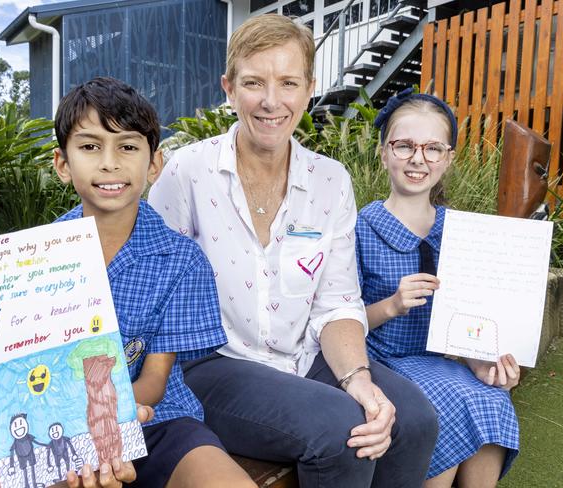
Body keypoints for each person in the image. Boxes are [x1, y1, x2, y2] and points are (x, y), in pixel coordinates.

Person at [148, 14, 438, 488]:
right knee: (342, 429)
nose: (271, 101)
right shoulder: (188, 172)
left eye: (288, 83)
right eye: (253, 82)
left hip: (306, 352)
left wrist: (359, 379)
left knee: (414, 419)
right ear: (228, 87)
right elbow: (153, 286)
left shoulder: (330, 180)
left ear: (309, 89)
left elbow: (337, 302)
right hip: (214, 363)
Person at [46, 77, 256, 488]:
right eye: (90, 146)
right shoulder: (35, 259)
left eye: (127, 146)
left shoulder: (181, 260)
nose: (109, 162)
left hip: (156, 420)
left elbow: (155, 381)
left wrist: (109, 425)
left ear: (154, 164)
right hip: (60, 432)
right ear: (63, 164)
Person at [355, 88, 520, 488]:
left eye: (432, 149)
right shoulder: (361, 227)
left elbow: (473, 318)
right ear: (383, 152)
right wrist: (392, 305)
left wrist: (481, 360)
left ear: (447, 159)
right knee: (441, 402)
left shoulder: (463, 233)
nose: (418, 158)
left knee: (492, 396)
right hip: (382, 360)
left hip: (438, 362)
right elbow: (339, 321)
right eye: (405, 146)